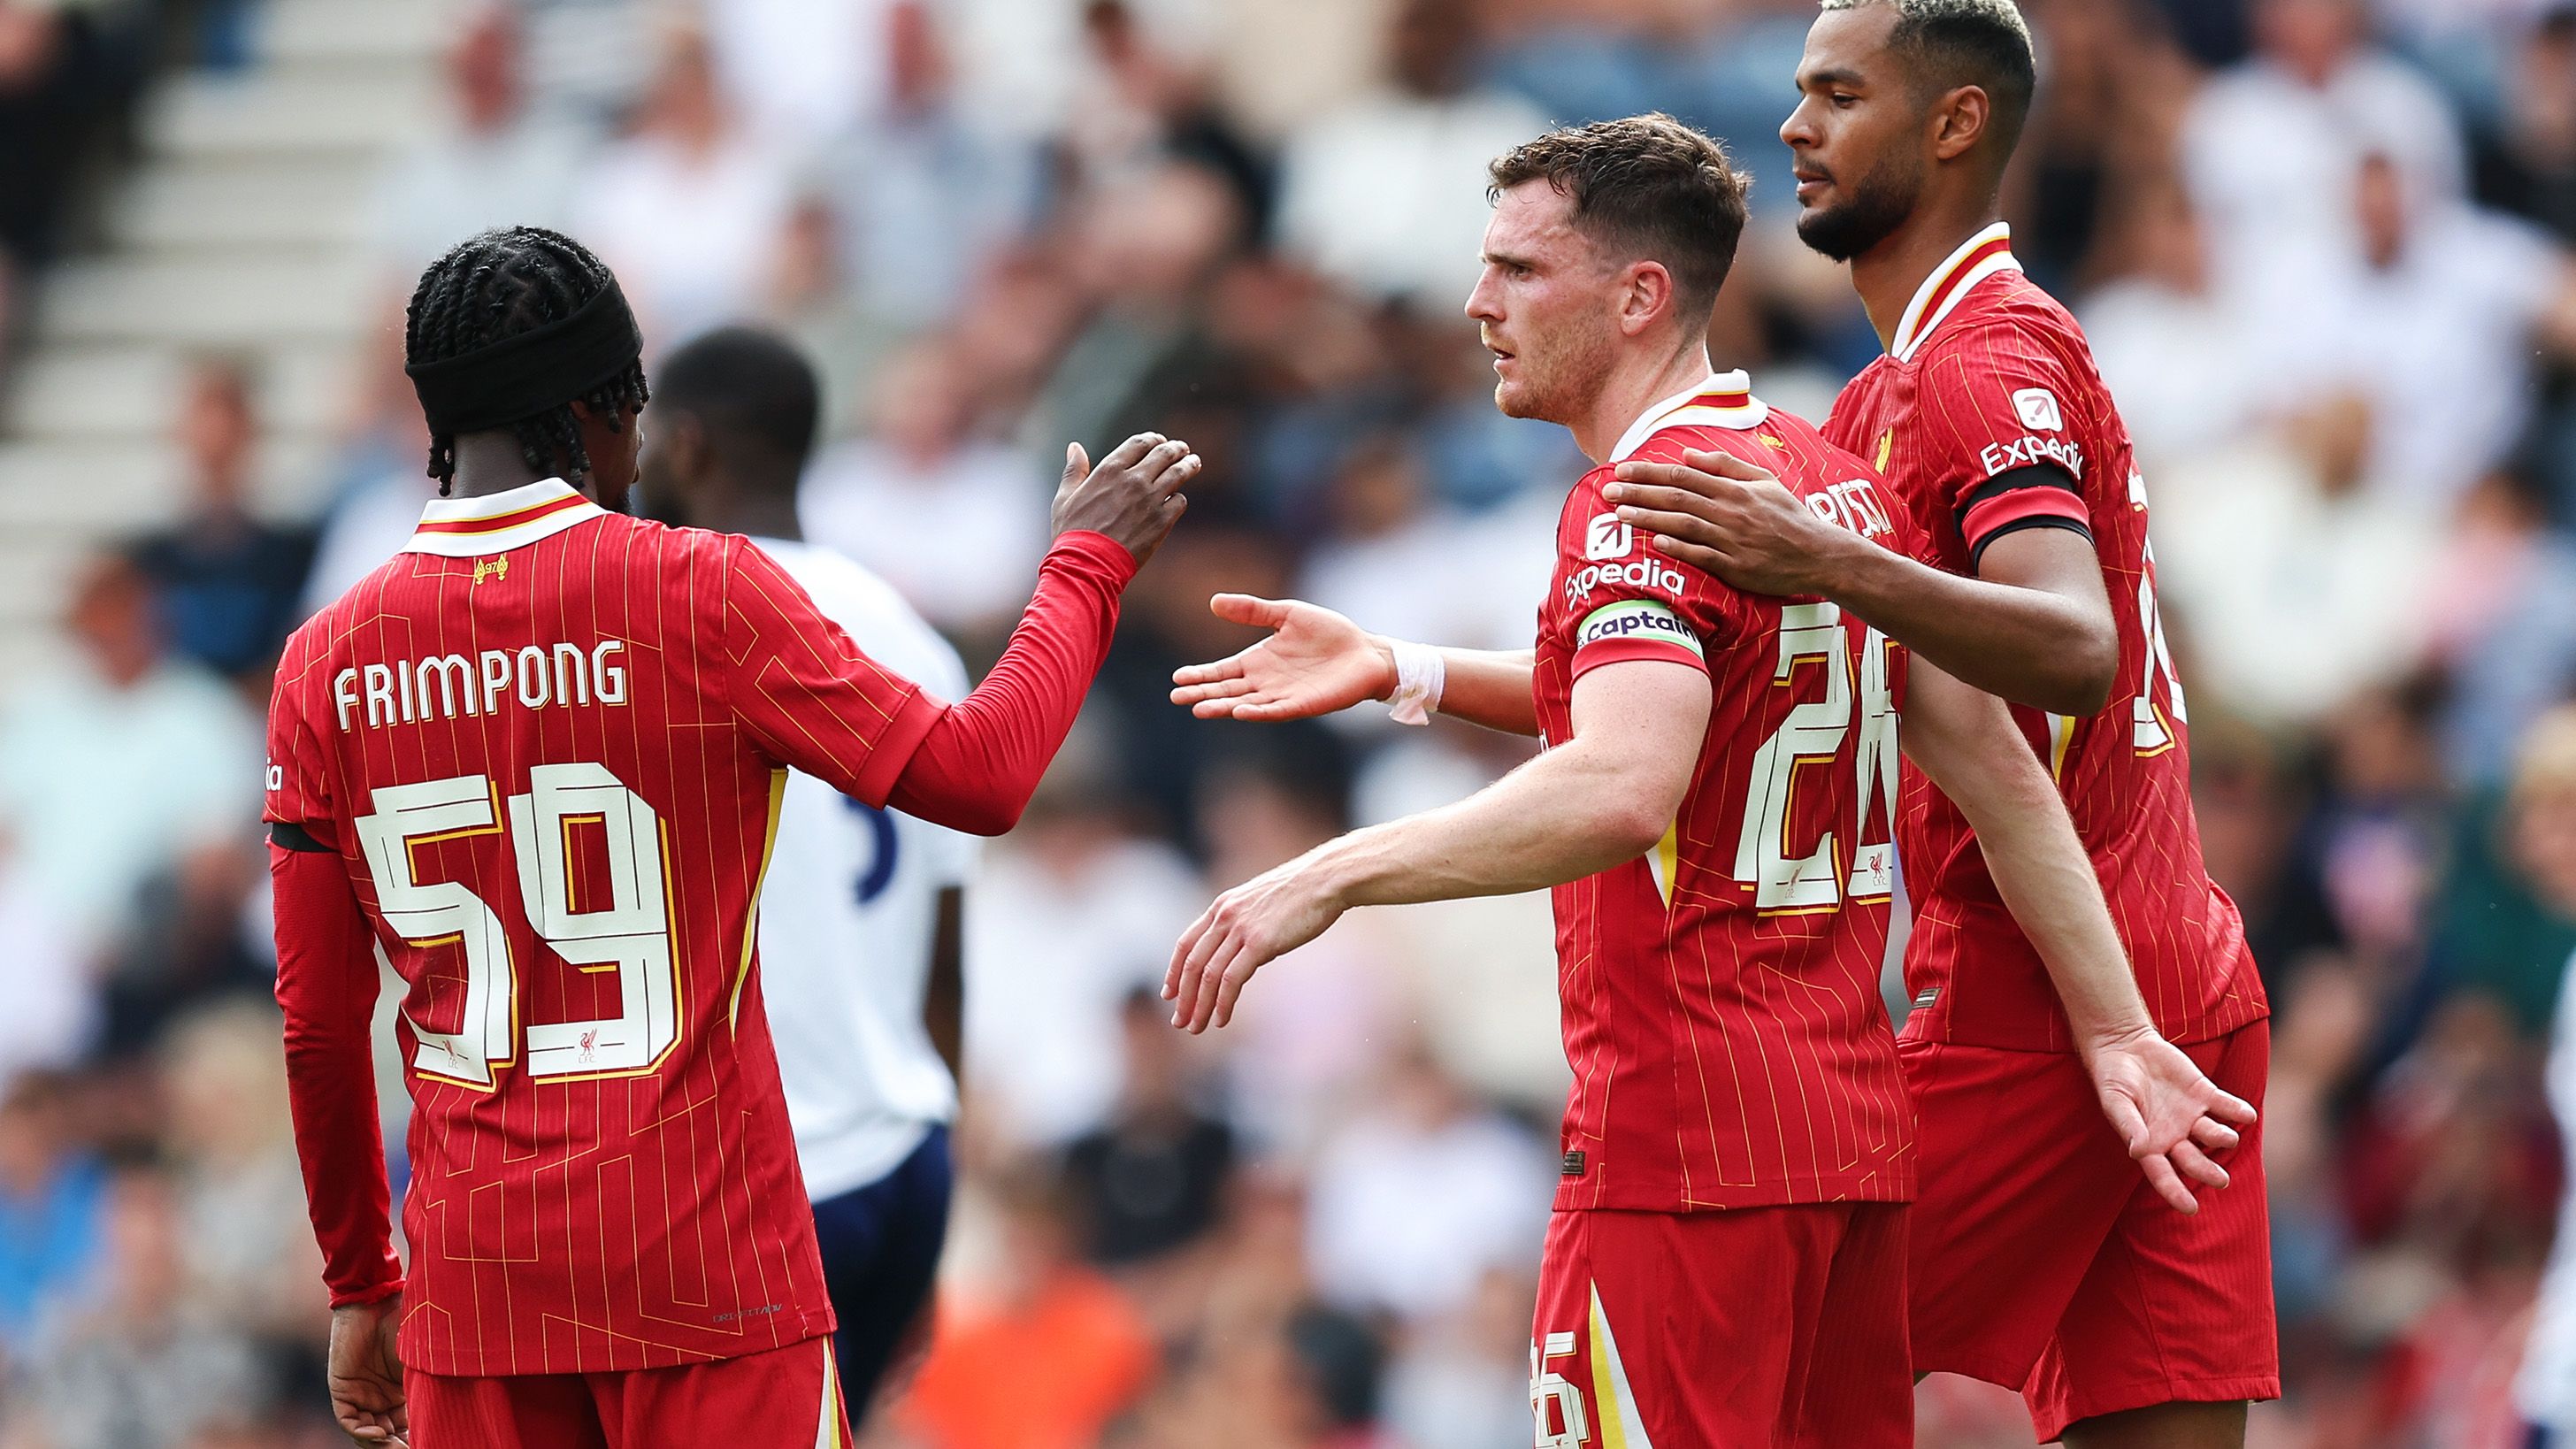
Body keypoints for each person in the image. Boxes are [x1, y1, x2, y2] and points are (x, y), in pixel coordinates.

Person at [1165, 115, 2240, 1447]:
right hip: (1848, 1153)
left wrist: (1329, 872)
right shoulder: (1834, 490)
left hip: (1678, 1155)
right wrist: (1406, 665)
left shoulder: (1635, 503)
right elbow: (1992, 771)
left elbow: (1626, 779)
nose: (1476, 302)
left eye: (1516, 270)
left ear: (1636, 297)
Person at [264, 226, 1196, 1447]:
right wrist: (1084, 565)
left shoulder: (322, 662)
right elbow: (981, 774)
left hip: (476, 1279)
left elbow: (319, 1022)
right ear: (602, 408)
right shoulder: (698, 589)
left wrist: (355, 1279)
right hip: (704, 1260)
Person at [1593, 3, 2278, 1442]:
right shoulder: (1887, 388)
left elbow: (2075, 648)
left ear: (1953, 125)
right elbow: (1701, 677)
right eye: (1796, 94)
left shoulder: (1977, 364)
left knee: (1722, 1377)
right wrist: (1410, 669)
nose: (1793, 127)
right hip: (2177, 985)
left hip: (2034, 1005)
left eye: (1838, 95)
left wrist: (1828, 558)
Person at [637, 325, 972, 1423]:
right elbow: (946, 961)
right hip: (905, 1150)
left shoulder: (669, 622)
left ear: (686, 447)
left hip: (767, 1179)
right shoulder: (911, 634)